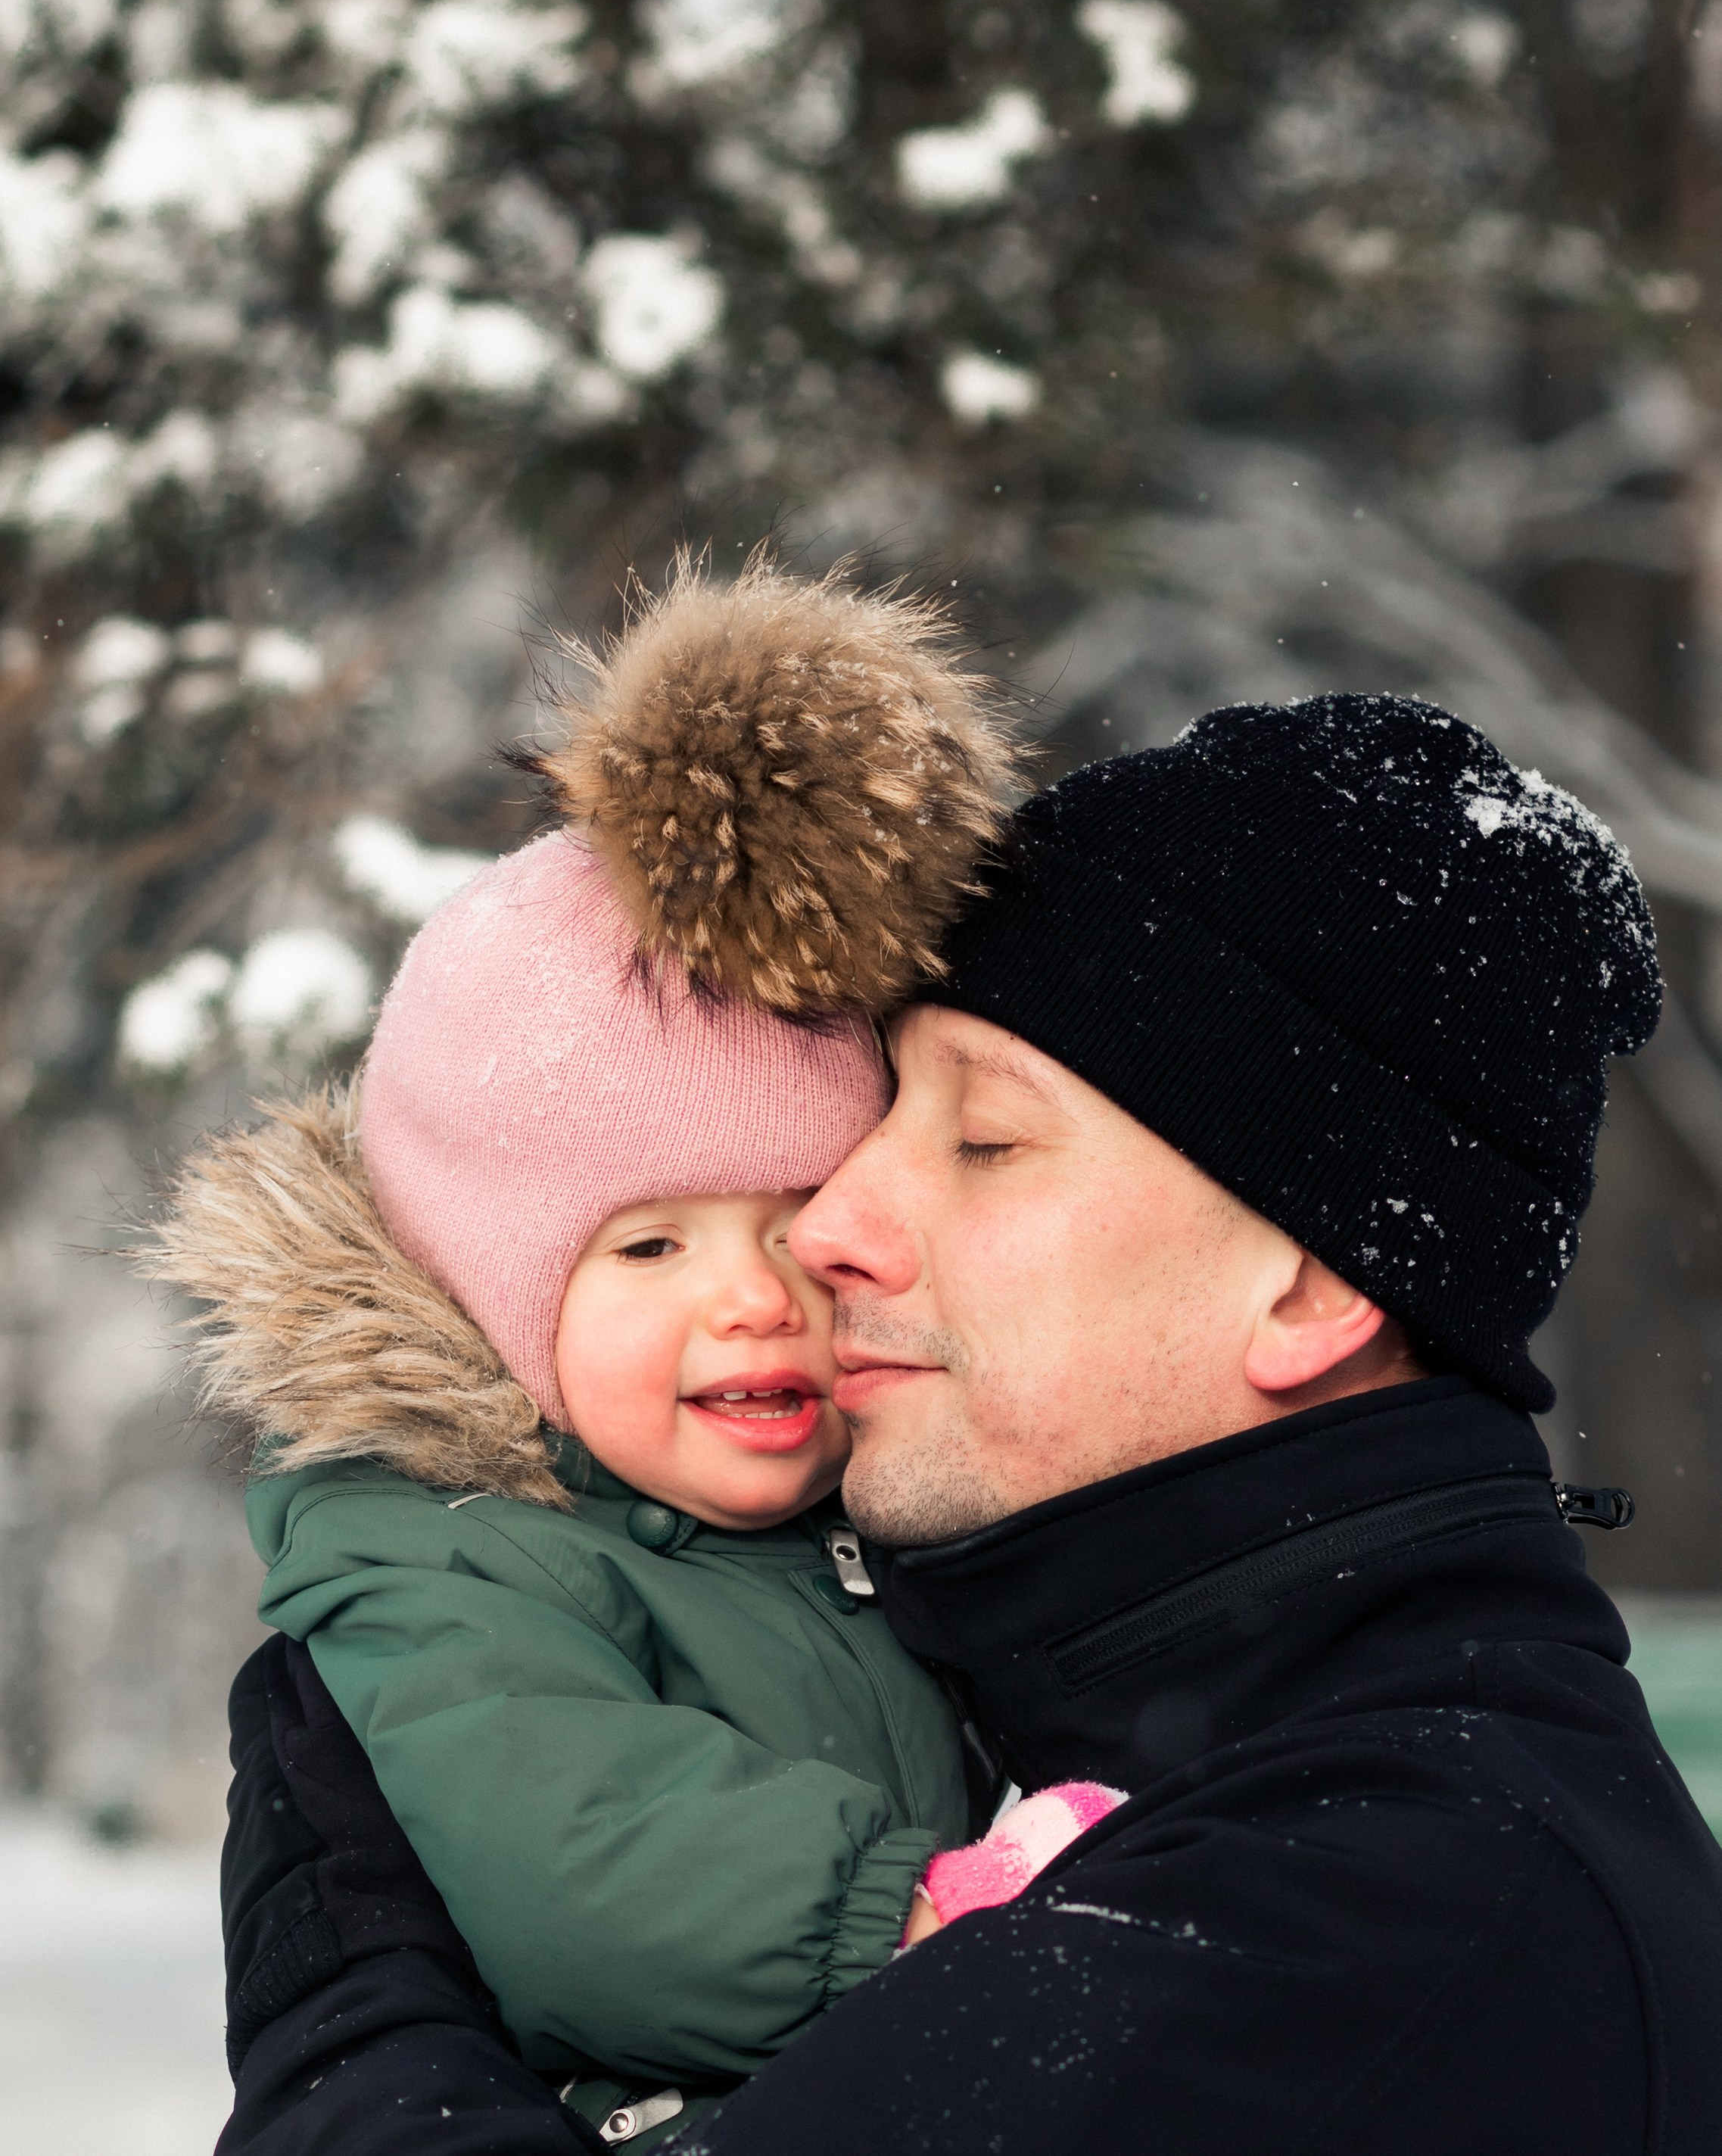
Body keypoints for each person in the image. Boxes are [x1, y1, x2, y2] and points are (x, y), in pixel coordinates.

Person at [210, 691, 1722, 2155]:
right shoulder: (1261, 1774)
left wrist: (352, 1998)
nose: (833, 1227)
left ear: (1312, 1284)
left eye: (983, 1138)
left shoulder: (1355, 1927)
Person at [154, 561, 1095, 2149]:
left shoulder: (889, 1504)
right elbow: (578, 1848)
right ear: (500, 1300)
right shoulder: (444, 1553)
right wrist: (917, 1916)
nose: (751, 1297)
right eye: (650, 1245)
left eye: (795, 1218)